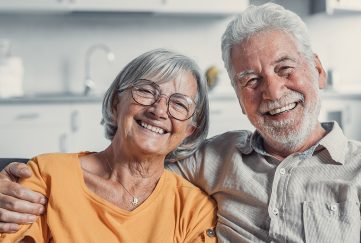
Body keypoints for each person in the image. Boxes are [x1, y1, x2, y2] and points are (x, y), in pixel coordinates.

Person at [1, 2, 361, 242]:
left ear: (317, 71)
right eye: (251, 80)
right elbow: (131, 162)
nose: (272, 91)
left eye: (285, 69)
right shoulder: (214, 159)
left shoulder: (357, 171)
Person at [0, 48, 217, 242]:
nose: (159, 111)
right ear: (116, 102)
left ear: (190, 130)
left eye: (179, 104)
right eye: (146, 91)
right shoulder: (47, 174)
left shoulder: (193, 209)